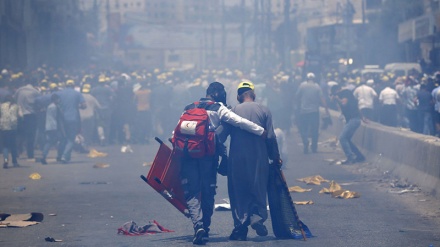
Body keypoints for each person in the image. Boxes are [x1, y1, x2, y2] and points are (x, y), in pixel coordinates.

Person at [174, 82, 266, 245]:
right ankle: (206, 228)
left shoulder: (188, 107)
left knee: (192, 192)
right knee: (208, 192)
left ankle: (199, 226)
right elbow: (239, 121)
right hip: (208, 158)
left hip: (188, 156)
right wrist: (260, 130)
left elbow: (175, 133)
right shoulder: (218, 108)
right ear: (217, 94)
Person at [225, 81, 281, 241]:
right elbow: (270, 137)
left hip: (237, 158)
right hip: (259, 157)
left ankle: (241, 226)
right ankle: (257, 218)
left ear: (238, 96)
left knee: (238, 190)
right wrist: (275, 157)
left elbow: (221, 136)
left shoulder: (233, 111)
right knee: (258, 187)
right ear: (253, 95)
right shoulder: (264, 110)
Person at [330, 84, 366, 164]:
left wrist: (337, 98)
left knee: (342, 138)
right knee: (347, 139)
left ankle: (350, 158)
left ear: (337, 90)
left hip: (353, 120)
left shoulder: (345, 93)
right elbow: (356, 107)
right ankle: (359, 156)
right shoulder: (346, 94)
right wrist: (362, 118)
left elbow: (344, 103)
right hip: (353, 119)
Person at [295, 72, 330, 153]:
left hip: (303, 111)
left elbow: (297, 96)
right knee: (314, 130)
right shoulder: (317, 87)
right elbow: (322, 99)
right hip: (314, 112)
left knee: (304, 129)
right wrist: (326, 110)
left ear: (307, 79)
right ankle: (314, 147)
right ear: (314, 79)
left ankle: (305, 142)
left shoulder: (302, 85)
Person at [56, 79, 86, 164]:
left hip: (61, 119)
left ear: (65, 85)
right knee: (71, 138)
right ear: (73, 86)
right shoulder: (77, 93)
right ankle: (64, 156)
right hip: (73, 119)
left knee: (62, 138)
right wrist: (78, 106)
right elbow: (84, 105)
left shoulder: (60, 93)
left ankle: (60, 155)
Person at [14, 78, 40, 159]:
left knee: (20, 134)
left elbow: (15, 100)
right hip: (31, 115)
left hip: (20, 114)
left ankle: (17, 152)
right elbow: (38, 103)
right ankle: (30, 154)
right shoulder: (35, 92)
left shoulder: (19, 90)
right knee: (31, 136)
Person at [0, 95, 21, 168]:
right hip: (13, 128)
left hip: (4, 128)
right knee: (13, 145)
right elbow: (21, 116)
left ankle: (6, 160)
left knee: (5, 146)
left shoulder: (1, 106)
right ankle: (14, 162)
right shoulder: (16, 106)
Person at [40, 94, 61, 165]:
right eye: (58, 99)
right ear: (55, 99)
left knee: (51, 141)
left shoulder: (49, 106)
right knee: (52, 141)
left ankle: (45, 155)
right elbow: (56, 117)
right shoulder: (54, 107)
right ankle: (44, 156)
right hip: (53, 126)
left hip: (48, 126)